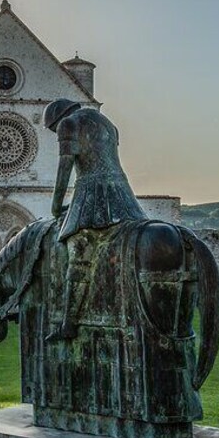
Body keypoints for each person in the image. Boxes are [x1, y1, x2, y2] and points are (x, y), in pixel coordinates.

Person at [43, 99, 147, 340]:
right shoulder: (107, 123)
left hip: (93, 191)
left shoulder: (68, 124)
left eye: (53, 129)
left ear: (57, 120)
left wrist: (56, 206)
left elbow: (64, 170)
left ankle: (69, 324)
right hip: (123, 193)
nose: (56, 133)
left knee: (78, 251)